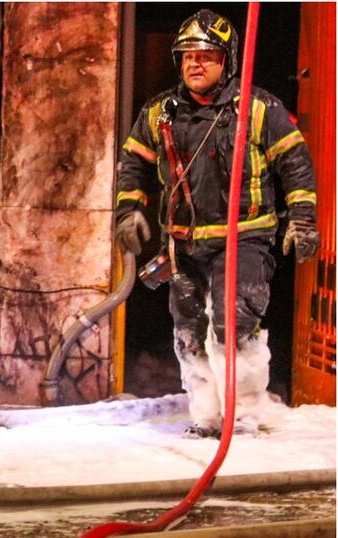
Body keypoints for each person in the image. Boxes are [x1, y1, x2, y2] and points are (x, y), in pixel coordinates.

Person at [114, 9, 320, 438]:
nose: (195, 63)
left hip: (244, 239)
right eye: (187, 55)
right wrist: (127, 211)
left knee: (234, 326)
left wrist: (302, 219)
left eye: (206, 55)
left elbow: (295, 163)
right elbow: (133, 163)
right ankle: (207, 417)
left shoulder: (258, 108)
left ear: (226, 60)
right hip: (184, 245)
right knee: (190, 331)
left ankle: (241, 419)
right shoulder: (159, 114)